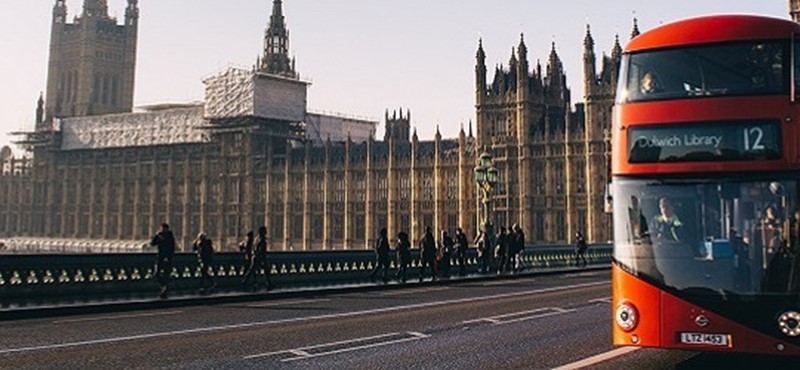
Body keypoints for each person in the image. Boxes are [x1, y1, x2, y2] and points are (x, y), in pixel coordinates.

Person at [150, 223, 176, 299]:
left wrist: (168, 257)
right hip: (160, 257)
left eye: (163, 229)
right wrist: (156, 236)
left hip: (167, 258)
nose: (162, 230)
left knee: (166, 275)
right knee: (156, 273)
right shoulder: (159, 235)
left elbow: (171, 248)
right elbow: (152, 244)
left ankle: (164, 290)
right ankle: (164, 287)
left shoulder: (170, 237)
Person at [242, 226, 270, 291]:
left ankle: (246, 282)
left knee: (253, 270)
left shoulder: (256, 239)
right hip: (259, 257)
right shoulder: (261, 239)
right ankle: (245, 282)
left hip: (255, 257)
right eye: (265, 231)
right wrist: (263, 257)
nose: (266, 232)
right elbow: (261, 250)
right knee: (254, 270)